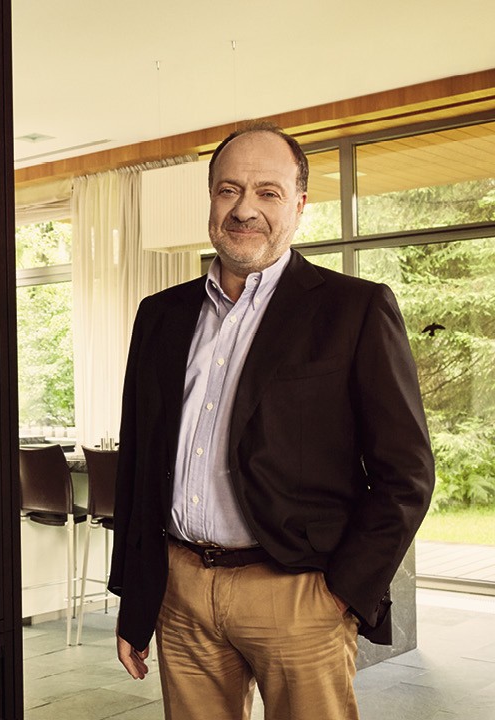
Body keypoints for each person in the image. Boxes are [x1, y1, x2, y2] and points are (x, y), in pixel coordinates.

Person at [109, 121, 435, 720]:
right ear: (211, 199)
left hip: (298, 594)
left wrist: (341, 592)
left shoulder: (355, 309)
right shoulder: (160, 315)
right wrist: (135, 600)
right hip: (181, 594)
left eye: (268, 192)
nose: (244, 209)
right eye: (229, 190)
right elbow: (138, 463)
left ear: (300, 205)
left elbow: (407, 475)